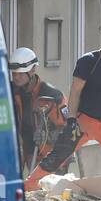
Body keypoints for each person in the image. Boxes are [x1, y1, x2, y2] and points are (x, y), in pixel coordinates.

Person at [24, 20, 101, 190]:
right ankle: (28, 189)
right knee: (56, 157)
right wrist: (71, 120)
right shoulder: (88, 61)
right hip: (83, 121)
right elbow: (75, 91)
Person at [8, 47, 69, 176]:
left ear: (33, 70)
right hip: (22, 151)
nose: (16, 77)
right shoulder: (10, 92)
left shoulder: (53, 96)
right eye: (14, 74)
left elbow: (66, 129)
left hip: (47, 156)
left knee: (46, 192)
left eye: (20, 73)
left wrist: (58, 159)